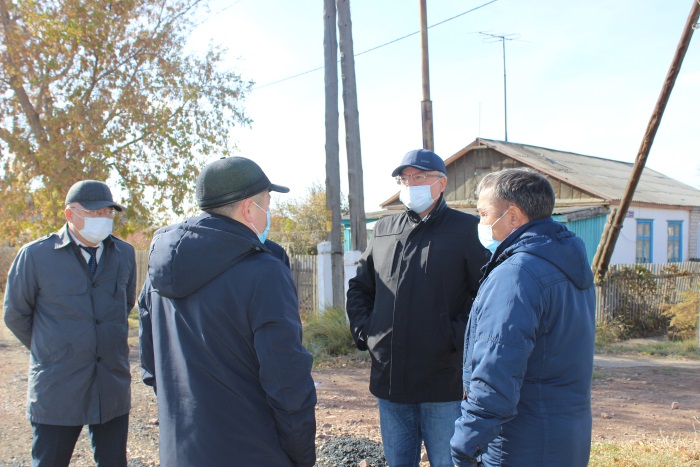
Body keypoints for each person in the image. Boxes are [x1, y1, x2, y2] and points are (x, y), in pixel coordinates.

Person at [139, 156, 317, 467]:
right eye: (268, 204)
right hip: (253, 452)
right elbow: (287, 384)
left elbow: (152, 365)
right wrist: (302, 456)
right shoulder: (264, 272)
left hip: (181, 452)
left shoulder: (159, 267)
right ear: (249, 209)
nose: (269, 214)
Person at [346, 149, 489, 467]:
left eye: (419, 177)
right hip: (391, 379)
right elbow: (360, 288)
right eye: (404, 179)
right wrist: (368, 334)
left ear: (441, 183)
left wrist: (454, 337)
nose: (410, 184)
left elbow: (484, 298)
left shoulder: (467, 230)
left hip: (443, 381)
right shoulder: (384, 229)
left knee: (448, 461)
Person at [450, 168, 596, 467]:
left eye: (484, 213)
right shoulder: (564, 261)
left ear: (514, 216)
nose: (481, 223)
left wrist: (467, 442)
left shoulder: (517, 273)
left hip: (520, 440)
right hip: (565, 433)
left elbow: (497, 367)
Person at [3, 180, 136, 467]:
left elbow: (124, 305)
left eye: (107, 212)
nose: (102, 219)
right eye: (93, 212)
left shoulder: (124, 254)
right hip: (58, 388)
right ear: (69, 214)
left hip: (110, 385)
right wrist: (51, 349)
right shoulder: (36, 256)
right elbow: (15, 314)